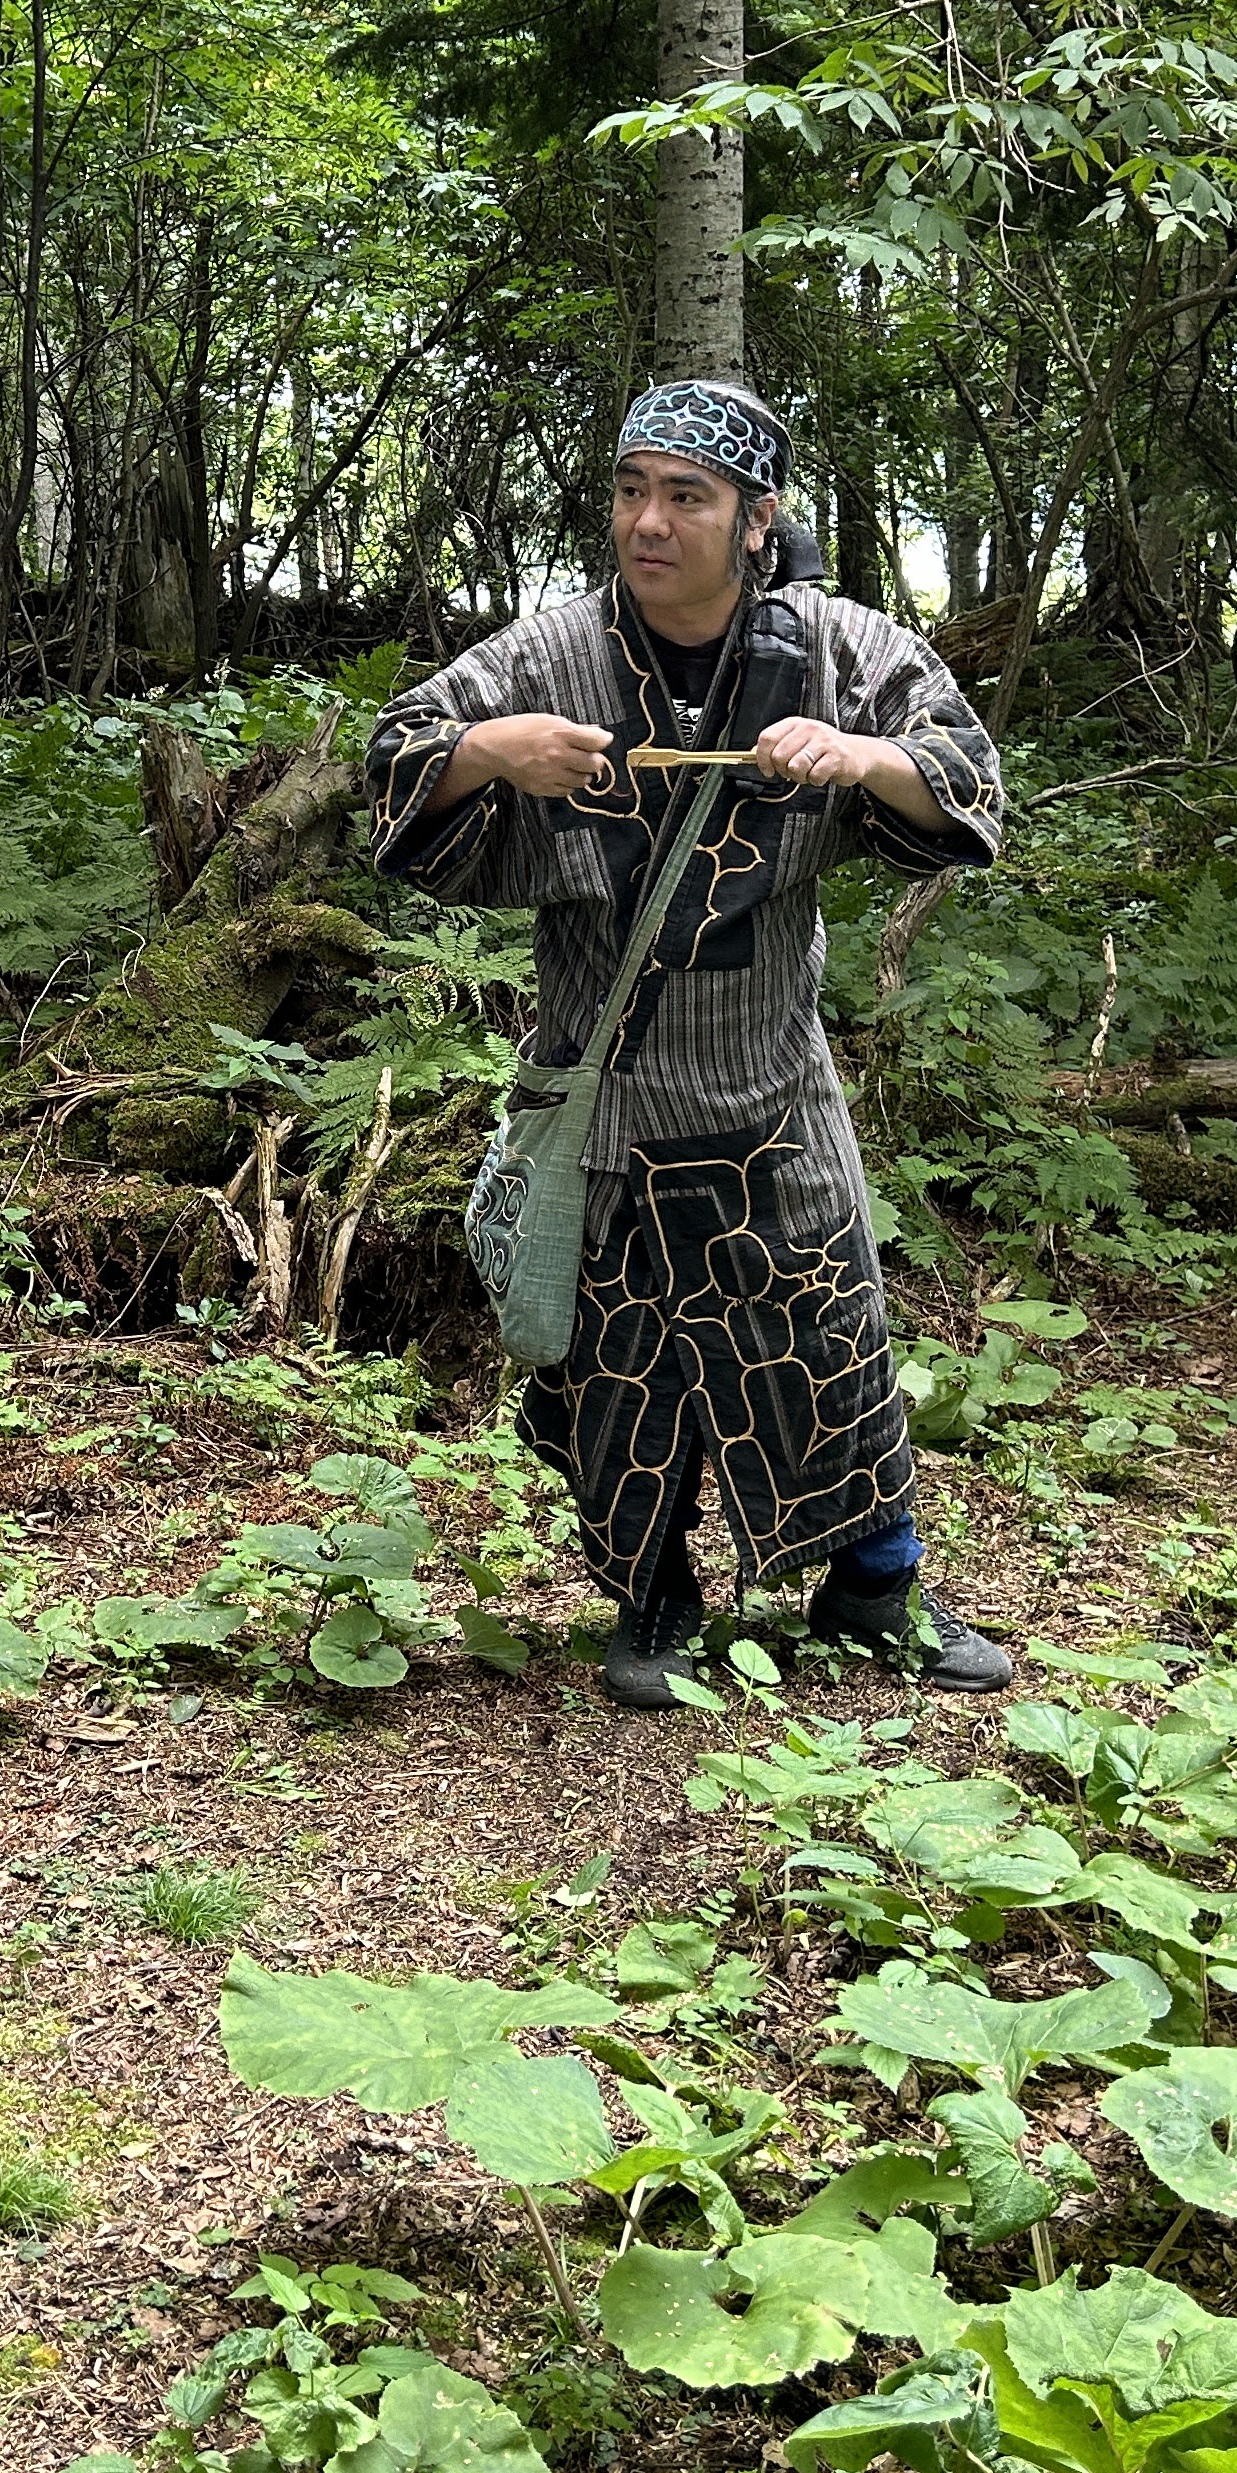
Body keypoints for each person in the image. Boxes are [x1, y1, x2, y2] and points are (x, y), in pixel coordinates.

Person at [364, 378, 1019, 1711]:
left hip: (774, 1080)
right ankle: (650, 1595)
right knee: (626, 1364)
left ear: (758, 518)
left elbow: (967, 774)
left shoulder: (843, 650)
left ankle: (874, 1588)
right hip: (612, 1089)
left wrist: (857, 759)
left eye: (686, 497)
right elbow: (399, 755)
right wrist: (495, 751)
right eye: (629, 491)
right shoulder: (551, 657)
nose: (648, 523)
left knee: (831, 1336)